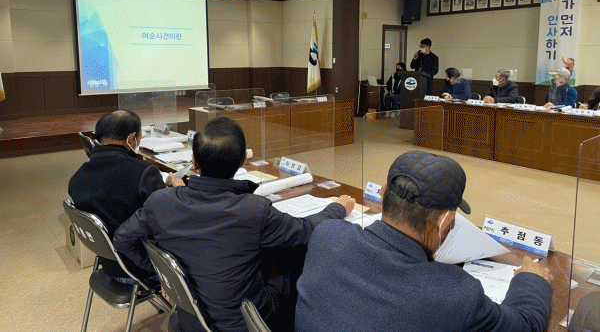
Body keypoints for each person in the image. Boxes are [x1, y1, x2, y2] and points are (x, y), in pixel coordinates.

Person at [113, 117, 355, 332]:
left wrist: (164, 278)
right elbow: (305, 231)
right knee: (292, 263)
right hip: (245, 322)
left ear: (193, 162)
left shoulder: (160, 202)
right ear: (243, 161)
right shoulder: (253, 210)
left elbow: (122, 239)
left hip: (189, 319)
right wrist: (338, 208)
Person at [295, 151, 553, 332]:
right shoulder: (456, 293)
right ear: (445, 222)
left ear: (383, 193)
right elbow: (523, 324)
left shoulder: (328, 235)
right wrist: (531, 279)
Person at [68, 110, 184, 282]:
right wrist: (178, 193)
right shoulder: (143, 172)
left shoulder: (77, 178)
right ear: (131, 139)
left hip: (109, 263)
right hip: (143, 268)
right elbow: (165, 220)